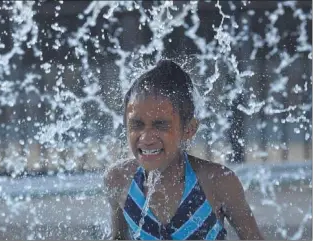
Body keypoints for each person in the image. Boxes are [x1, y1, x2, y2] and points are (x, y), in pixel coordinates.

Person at [103, 59, 263, 240]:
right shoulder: (119, 179)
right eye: (137, 124)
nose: (146, 138)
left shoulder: (217, 182)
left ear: (189, 129)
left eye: (161, 125)